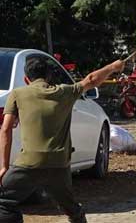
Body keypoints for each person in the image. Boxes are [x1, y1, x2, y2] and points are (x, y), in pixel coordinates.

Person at [0, 57, 125, 223]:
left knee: (4, 202)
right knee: (72, 209)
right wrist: (112, 66)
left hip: (29, 163)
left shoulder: (18, 94)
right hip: (59, 164)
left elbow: (6, 129)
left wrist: (4, 166)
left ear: (26, 79)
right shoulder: (65, 92)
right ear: (49, 77)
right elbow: (91, 80)